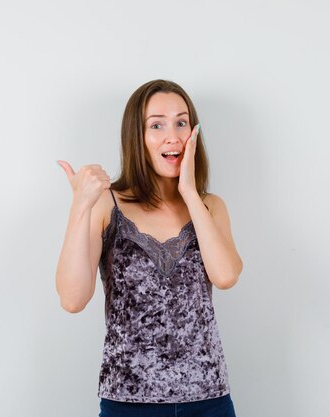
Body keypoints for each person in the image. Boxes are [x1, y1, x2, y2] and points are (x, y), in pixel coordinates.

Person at [56, 79, 243, 417]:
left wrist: (188, 191)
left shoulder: (210, 206)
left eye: (181, 123)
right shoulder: (106, 205)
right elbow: (72, 299)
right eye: (156, 125)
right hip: (127, 403)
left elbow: (226, 276)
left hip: (209, 400)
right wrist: (80, 206)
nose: (173, 136)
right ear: (136, 138)